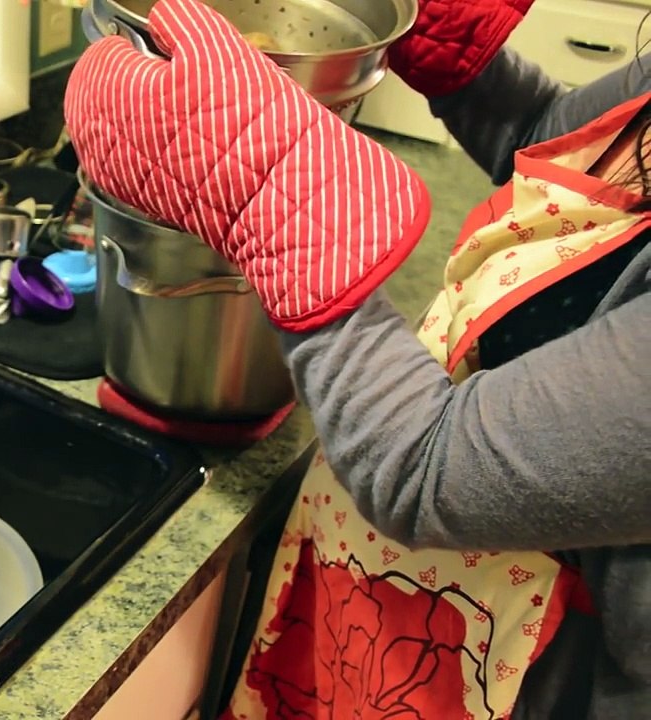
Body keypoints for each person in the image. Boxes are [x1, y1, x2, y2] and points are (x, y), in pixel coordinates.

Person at [63, 1, 650, 718]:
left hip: (523, 670)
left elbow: (426, 470)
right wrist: (457, 56)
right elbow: (565, 152)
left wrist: (280, 197)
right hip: (384, 590)